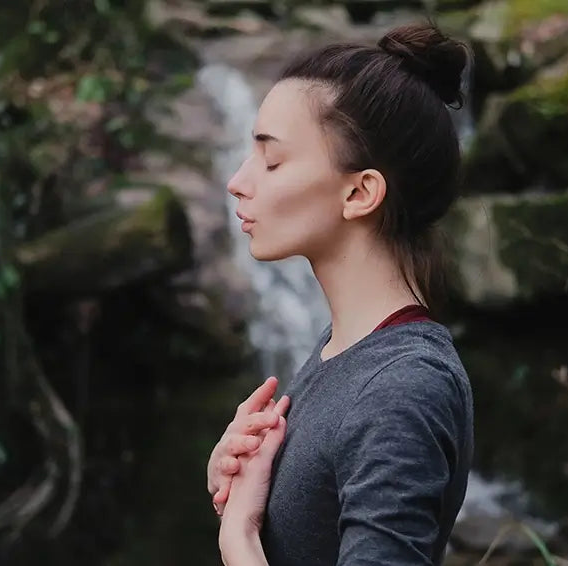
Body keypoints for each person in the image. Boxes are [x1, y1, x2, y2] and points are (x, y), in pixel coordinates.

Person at [203, 20, 476, 566]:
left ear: (359, 192)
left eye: (271, 160)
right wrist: (243, 492)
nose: (238, 180)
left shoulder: (402, 387)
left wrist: (240, 541)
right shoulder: (345, 350)